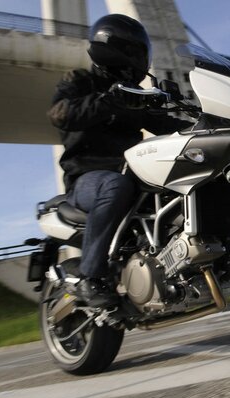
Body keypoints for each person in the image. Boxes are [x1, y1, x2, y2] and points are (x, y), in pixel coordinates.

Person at [47, 14, 191, 306]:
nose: (138, 58)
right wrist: (106, 100)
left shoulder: (133, 95)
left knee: (177, 185)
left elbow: (164, 124)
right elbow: (61, 114)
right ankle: (90, 276)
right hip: (87, 179)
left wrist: (200, 123)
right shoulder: (80, 81)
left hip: (131, 174)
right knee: (115, 186)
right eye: (133, 51)